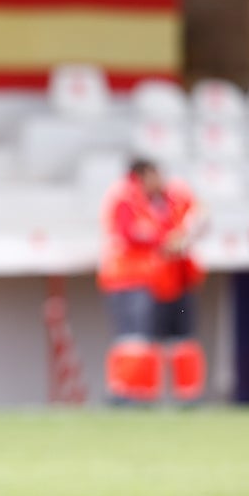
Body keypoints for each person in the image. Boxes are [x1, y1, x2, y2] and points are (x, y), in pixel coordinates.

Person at [98, 159, 170, 404]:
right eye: (156, 175)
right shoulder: (127, 198)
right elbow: (133, 233)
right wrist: (162, 239)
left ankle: (139, 392)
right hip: (126, 277)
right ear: (143, 174)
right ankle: (123, 392)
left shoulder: (141, 199)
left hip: (138, 277)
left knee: (139, 338)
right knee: (132, 338)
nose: (161, 182)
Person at [148, 170, 207, 403]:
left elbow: (200, 216)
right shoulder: (140, 205)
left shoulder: (177, 201)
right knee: (155, 342)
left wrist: (186, 233)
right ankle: (154, 395)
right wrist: (167, 241)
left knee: (184, 341)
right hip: (156, 283)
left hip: (181, 281)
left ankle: (187, 395)